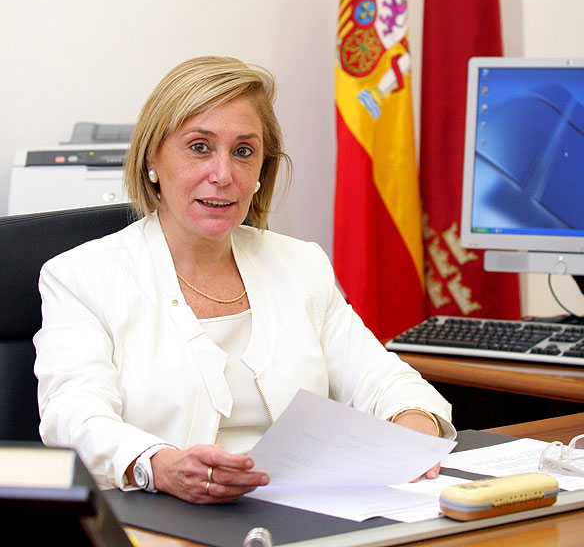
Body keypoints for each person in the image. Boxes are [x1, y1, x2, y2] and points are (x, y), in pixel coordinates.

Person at [34, 56, 455, 505]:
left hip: (303, 511)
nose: (223, 175)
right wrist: (161, 466)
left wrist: (413, 425)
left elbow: (386, 380)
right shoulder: (83, 277)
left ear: (260, 170)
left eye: (243, 152)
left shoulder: (301, 264)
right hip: (159, 511)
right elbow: (72, 418)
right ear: (152, 159)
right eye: (200, 147)